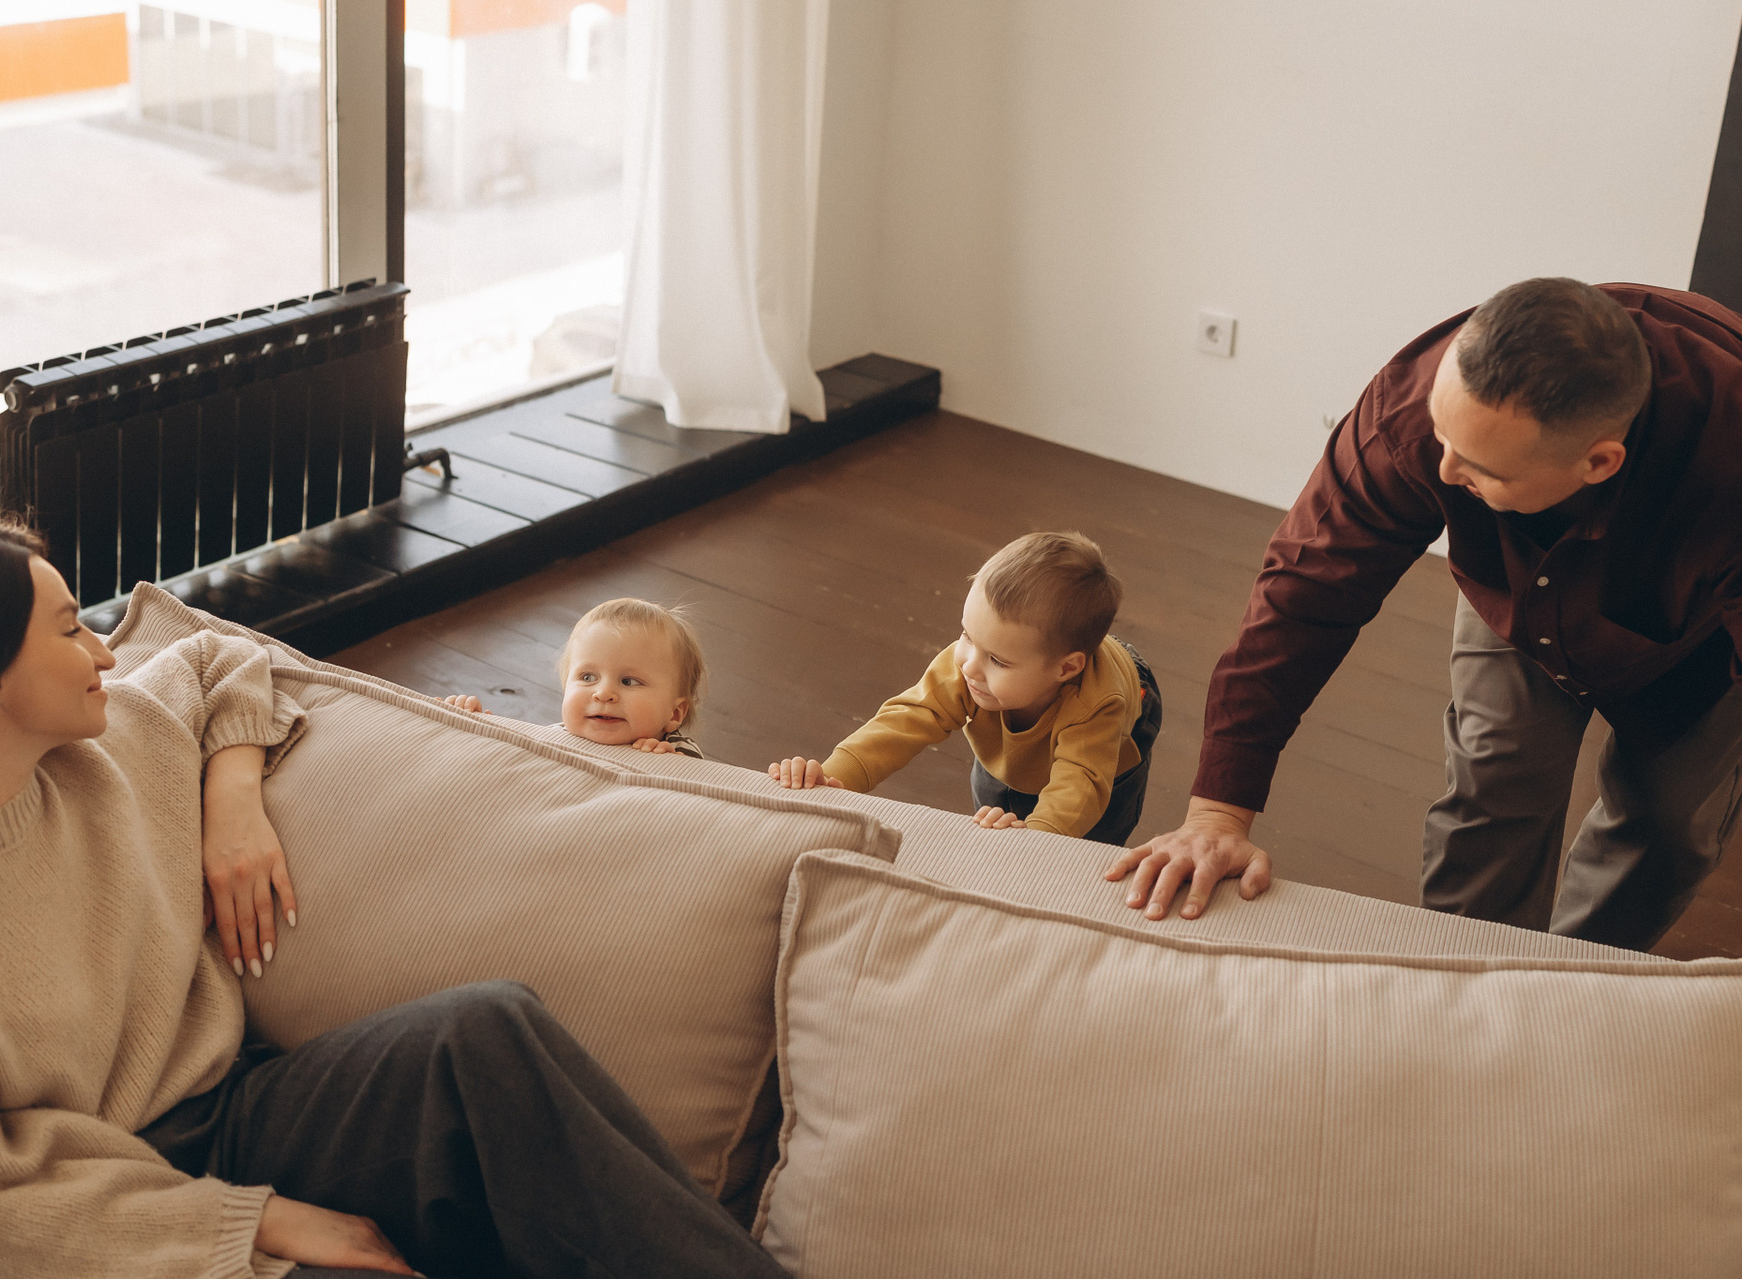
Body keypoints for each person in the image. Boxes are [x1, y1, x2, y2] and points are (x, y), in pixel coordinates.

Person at [0, 526, 788, 1279]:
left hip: (223, 1115)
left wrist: (233, 798)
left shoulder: (100, 751)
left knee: (483, 1033)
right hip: (76, 1222)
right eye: (73, 629)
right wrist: (257, 1223)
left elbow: (214, 658)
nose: (104, 654)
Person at [1110, 279, 1742, 951]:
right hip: (1516, 591)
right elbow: (1304, 591)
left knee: (1669, 829)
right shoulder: (1413, 406)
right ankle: (1463, 974)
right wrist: (1216, 814)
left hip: (1699, 631)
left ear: (1598, 462)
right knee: (1497, 784)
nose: (1442, 472)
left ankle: (1575, 978)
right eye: (1443, 437)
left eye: (1479, 466)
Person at [768, 531, 1162, 844]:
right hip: (1016, 713)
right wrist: (833, 781)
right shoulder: (972, 664)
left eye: (997, 660)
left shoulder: (1098, 704)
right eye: (967, 636)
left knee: (1093, 832)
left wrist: (1037, 840)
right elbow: (905, 721)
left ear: (1067, 668)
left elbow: (1080, 785)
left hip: (1124, 718)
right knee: (996, 797)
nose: (969, 664)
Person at [448, 597, 707, 757]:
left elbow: (704, 793)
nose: (603, 693)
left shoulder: (676, 750)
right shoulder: (552, 738)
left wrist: (673, 766)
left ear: (674, 714)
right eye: (588, 677)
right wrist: (474, 728)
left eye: (628, 681)